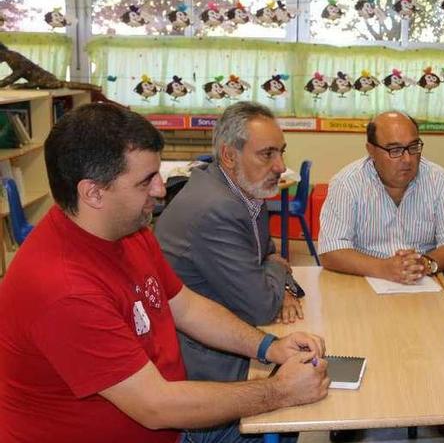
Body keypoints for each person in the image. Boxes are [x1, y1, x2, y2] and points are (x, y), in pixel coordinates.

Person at [0, 103, 329, 442]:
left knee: (287, 421)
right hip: (161, 419)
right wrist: (277, 390)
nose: (160, 190)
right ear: (93, 192)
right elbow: (155, 407)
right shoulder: (62, 289)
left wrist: (270, 347)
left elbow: (186, 306)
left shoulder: (130, 231)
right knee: (285, 410)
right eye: (146, 181)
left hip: (170, 420)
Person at [155, 102, 305, 441]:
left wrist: (279, 281)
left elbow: (266, 253)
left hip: (228, 327)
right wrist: (274, 273)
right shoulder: (217, 208)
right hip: (204, 367)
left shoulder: (245, 190)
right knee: (295, 398)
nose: (280, 166)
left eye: (280, 152)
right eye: (266, 154)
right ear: (228, 156)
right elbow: (261, 304)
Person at [319, 111, 444, 283]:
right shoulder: (346, 184)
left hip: (423, 280)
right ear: (371, 150)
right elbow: (331, 251)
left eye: (413, 147)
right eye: (395, 150)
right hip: (364, 279)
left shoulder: (439, 180)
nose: (407, 159)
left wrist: (425, 263)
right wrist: (384, 268)